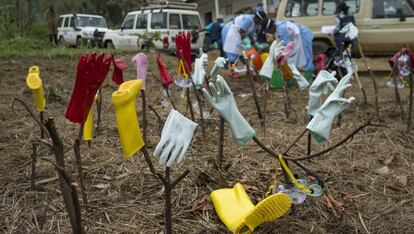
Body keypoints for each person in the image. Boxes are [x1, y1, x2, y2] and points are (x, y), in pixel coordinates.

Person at [222, 11, 267, 78]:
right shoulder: (249, 19)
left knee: (245, 55)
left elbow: (251, 36)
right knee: (233, 54)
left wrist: (256, 44)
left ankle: (248, 70)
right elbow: (241, 31)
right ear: (257, 18)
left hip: (242, 36)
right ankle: (234, 71)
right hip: (234, 34)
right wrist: (247, 43)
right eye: (260, 21)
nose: (260, 23)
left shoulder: (256, 24)